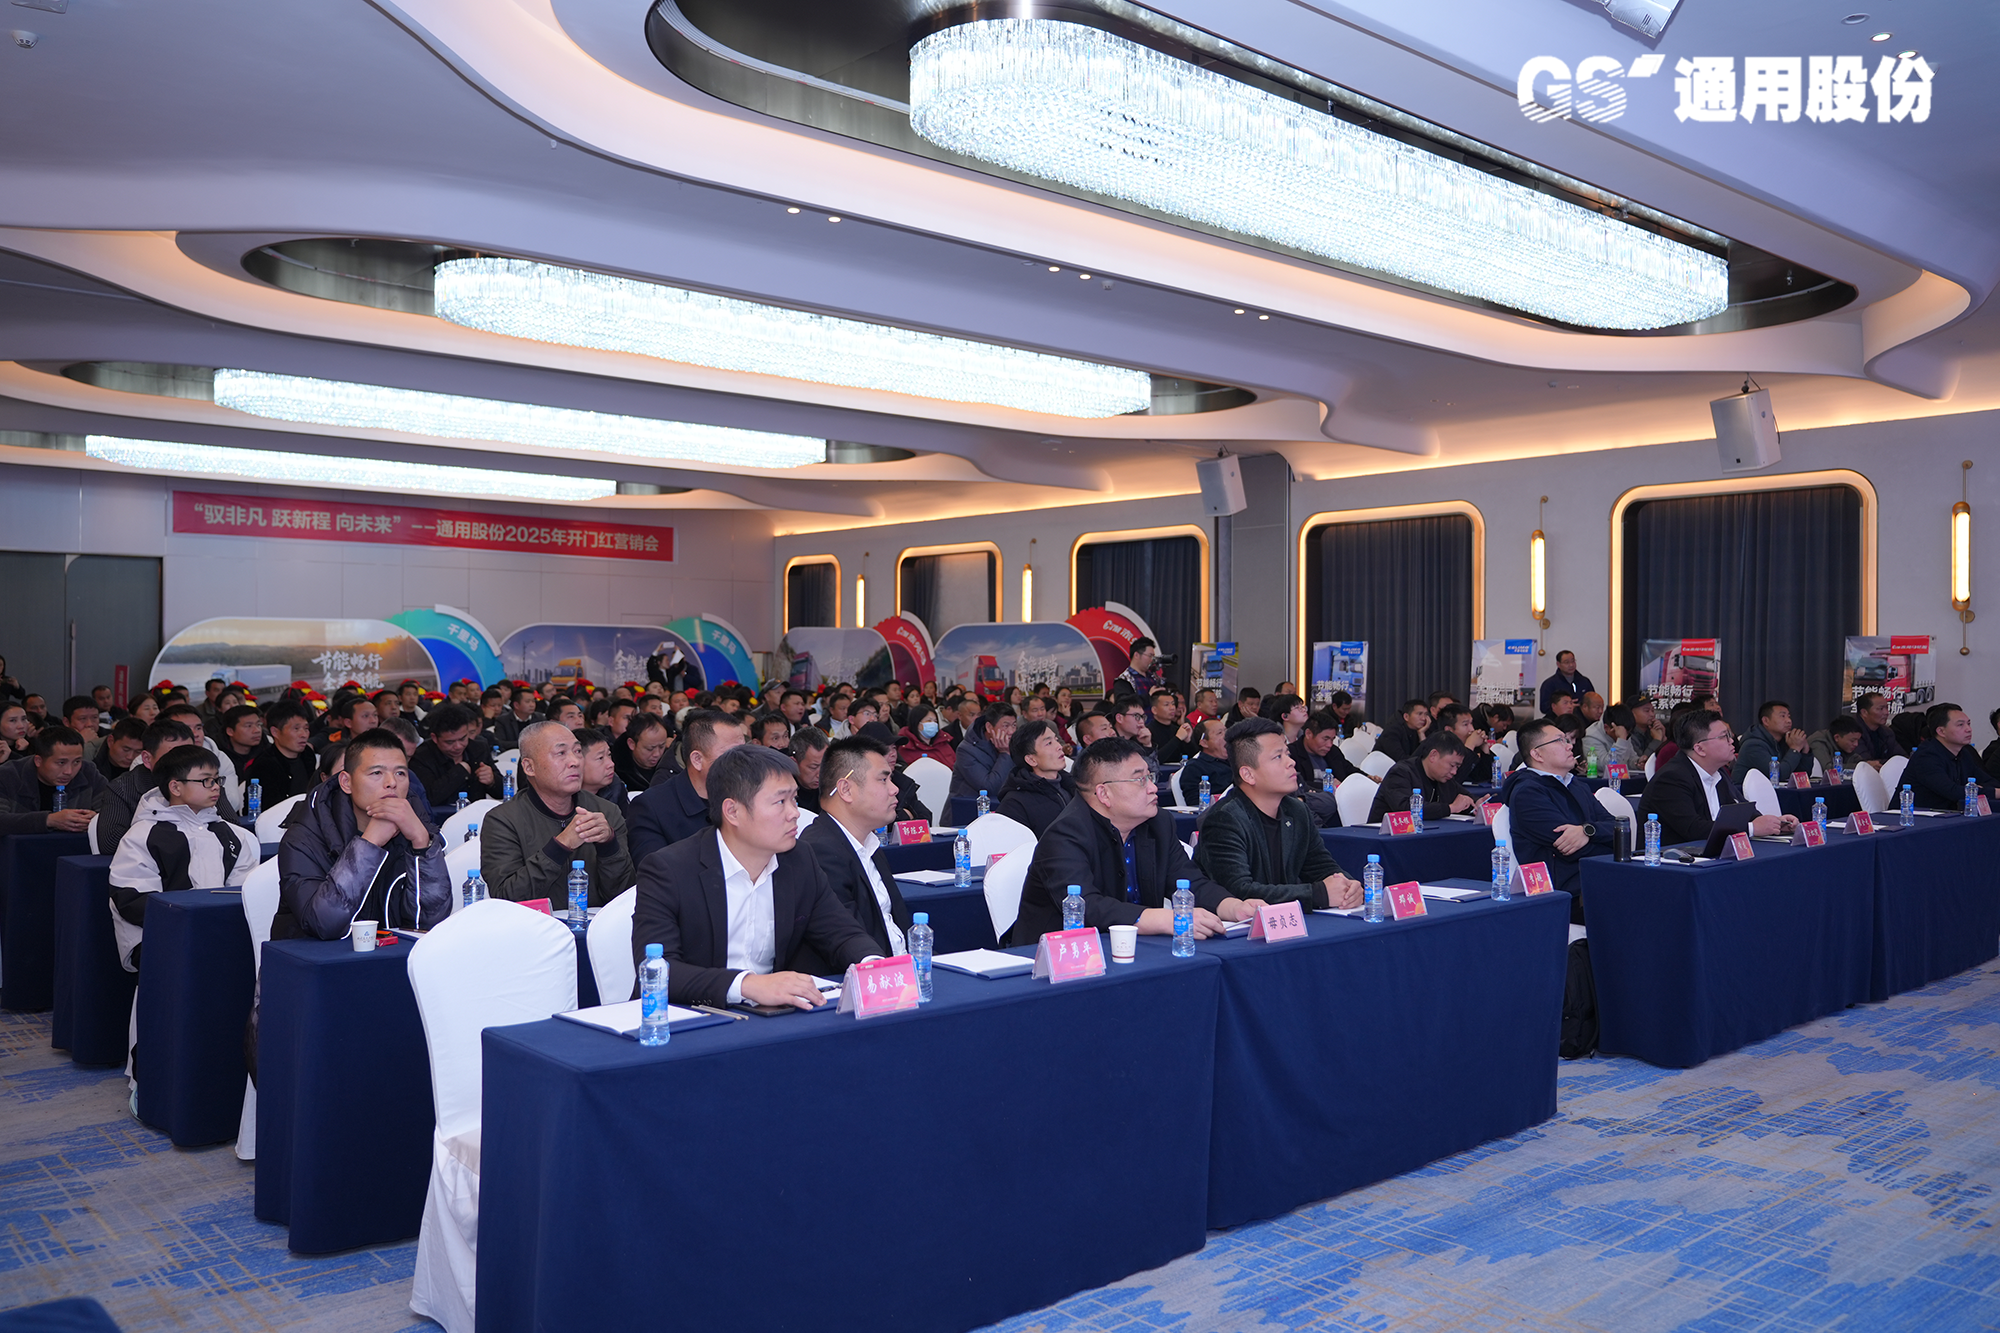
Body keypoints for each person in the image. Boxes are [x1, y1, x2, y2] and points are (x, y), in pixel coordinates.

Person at [628, 744, 877, 1008]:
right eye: (780, 802)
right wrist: (747, 985)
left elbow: (842, 933)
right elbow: (658, 970)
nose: (794, 813)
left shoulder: (799, 860)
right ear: (732, 812)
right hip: (688, 1016)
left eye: (794, 799)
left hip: (769, 1016)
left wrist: (873, 965)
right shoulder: (668, 870)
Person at [1012, 738, 1254, 945]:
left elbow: (1190, 882)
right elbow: (1088, 906)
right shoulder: (1064, 834)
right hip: (1064, 956)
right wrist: (1167, 919)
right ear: (1104, 793)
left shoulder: (1158, 823)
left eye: (1150, 777)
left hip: (1136, 948)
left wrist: (1233, 907)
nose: (1153, 788)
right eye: (1140, 780)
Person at [273, 730, 452, 941]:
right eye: (376, 773)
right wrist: (369, 844)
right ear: (346, 782)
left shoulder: (415, 828)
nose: (391, 783)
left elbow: (430, 922)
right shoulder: (304, 837)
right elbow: (323, 924)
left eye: (400, 773)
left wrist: (421, 843)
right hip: (314, 956)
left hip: (389, 953)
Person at [108, 743, 254, 973]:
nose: (216, 787)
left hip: (219, 929)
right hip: (160, 934)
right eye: (206, 780)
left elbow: (244, 891)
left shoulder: (231, 834)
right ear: (175, 786)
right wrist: (193, 921)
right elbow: (131, 899)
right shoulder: (143, 835)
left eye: (217, 779)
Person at [1195, 719, 1360, 909]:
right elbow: (1239, 891)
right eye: (1277, 757)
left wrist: (1347, 887)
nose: (1291, 762)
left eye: (1287, 754)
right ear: (1248, 774)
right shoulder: (1224, 820)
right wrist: (1318, 894)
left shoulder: (1297, 811)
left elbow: (1321, 867)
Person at [481, 721, 633, 911]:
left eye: (577, 751)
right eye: (561, 753)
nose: (575, 761)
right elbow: (506, 898)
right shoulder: (502, 821)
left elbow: (624, 897)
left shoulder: (606, 812)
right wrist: (560, 846)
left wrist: (609, 846)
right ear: (529, 767)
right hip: (532, 927)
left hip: (595, 925)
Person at [795, 736, 913, 962]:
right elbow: (848, 941)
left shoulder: (868, 843)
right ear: (846, 790)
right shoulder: (820, 852)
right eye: (883, 780)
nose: (895, 789)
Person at [1503, 719, 1620, 921]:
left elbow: (1618, 827)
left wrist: (1587, 830)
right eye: (1560, 741)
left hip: (1596, 876)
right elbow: (1569, 846)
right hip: (1564, 893)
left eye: (1568, 740)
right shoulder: (1528, 793)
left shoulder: (1575, 785)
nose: (1570, 745)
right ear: (1537, 754)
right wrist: (1603, 838)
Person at [1636, 710, 1796, 845]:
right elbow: (1693, 829)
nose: (1731, 741)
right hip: (1673, 861)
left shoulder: (1718, 772)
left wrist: (1774, 824)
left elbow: (1743, 810)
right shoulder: (1671, 779)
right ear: (1700, 749)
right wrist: (1752, 828)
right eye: (1724, 737)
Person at [626, 709, 744, 865]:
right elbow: (655, 872)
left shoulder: (750, 795)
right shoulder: (651, 809)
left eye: (744, 752)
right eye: (730, 754)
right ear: (697, 759)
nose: (742, 762)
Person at [96, 719, 196, 853]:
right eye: (173, 757)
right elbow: (111, 843)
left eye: (189, 756)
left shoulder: (207, 782)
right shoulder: (122, 788)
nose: (184, 764)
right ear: (147, 759)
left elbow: (225, 830)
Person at [0, 725, 105, 835]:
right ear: (38, 761)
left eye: (76, 762)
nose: (69, 771)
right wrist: (48, 820)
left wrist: (97, 818)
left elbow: (112, 810)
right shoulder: (8, 776)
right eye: (61, 763)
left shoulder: (88, 772)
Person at [408, 702, 504, 808]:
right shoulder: (421, 756)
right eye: (450, 742)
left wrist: (492, 780)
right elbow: (427, 799)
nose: (458, 746)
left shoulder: (478, 748)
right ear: (435, 738)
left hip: (477, 813)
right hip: (440, 816)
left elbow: (503, 792)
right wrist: (460, 772)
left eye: (463, 738)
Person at [1904, 703, 1999, 809]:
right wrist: (1990, 792)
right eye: (1960, 725)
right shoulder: (1926, 756)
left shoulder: (1964, 753)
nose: (1968, 729)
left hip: (1949, 814)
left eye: (1968, 724)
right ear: (1941, 731)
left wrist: (1982, 789)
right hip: (1913, 816)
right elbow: (1952, 791)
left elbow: (1989, 781)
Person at [994, 719, 1076, 836]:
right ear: (1031, 760)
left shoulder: (1072, 786)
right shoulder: (1015, 804)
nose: (1059, 746)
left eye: (1056, 740)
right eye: (1049, 743)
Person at [1370, 733, 1475, 822]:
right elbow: (1406, 809)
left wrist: (1477, 804)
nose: (1454, 772)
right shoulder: (1400, 773)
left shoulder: (1444, 778)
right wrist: (1450, 808)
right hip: (1386, 835)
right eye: (1452, 765)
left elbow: (1464, 797)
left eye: (1457, 767)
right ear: (1433, 756)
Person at [245, 701, 320, 804]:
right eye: (296, 729)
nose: (304, 734)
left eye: (306, 728)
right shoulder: (264, 766)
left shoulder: (308, 755)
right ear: (275, 732)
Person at [1731, 700, 1814, 785]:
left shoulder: (1785, 741)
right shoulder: (1753, 745)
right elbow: (1778, 775)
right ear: (1766, 721)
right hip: (1745, 792)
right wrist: (1795, 749)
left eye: (1789, 716)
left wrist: (1805, 750)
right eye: (1782, 716)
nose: (1789, 720)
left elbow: (1801, 776)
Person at [950, 704, 1017, 800]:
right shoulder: (966, 750)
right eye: (1005, 726)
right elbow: (989, 788)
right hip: (970, 804)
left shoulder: (1015, 745)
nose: (1011, 731)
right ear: (989, 727)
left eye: (1014, 725)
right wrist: (1005, 754)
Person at [611, 711, 675, 793]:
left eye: (661, 746)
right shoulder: (615, 773)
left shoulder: (672, 762)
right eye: (650, 749)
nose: (657, 754)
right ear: (632, 744)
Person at [1432, 704, 1495, 785]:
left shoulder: (1472, 748)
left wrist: (1485, 750)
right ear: (1449, 730)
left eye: (1471, 723)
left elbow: (1485, 777)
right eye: (1465, 724)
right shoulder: (1439, 749)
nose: (1472, 729)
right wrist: (1470, 746)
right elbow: (1453, 782)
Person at [1178, 718, 1237, 804]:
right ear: (1204, 743)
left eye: (1226, 731)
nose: (1227, 735)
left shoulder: (1236, 761)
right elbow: (1195, 803)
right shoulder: (1195, 767)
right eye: (1220, 733)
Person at [576, 726, 630, 812]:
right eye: (600, 758)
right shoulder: (563, 796)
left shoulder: (616, 786)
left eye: (609, 755)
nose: (611, 764)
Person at [1852, 692, 1907, 768]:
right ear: (1864, 712)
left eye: (1887, 708)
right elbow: (1865, 762)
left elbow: (1902, 757)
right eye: (1880, 709)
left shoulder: (1887, 732)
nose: (1886, 713)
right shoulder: (1852, 732)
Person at [896, 701, 956, 769]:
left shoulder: (943, 743)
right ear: (917, 723)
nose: (933, 724)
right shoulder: (906, 747)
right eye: (929, 721)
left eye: (935, 721)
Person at [1145, 689, 1195, 764]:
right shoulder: (1148, 731)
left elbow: (1194, 757)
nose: (1172, 708)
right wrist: (1177, 738)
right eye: (1166, 705)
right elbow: (1155, 759)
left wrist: (1188, 741)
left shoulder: (1177, 729)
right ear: (1154, 710)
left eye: (1173, 704)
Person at [1809, 714, 1867, 779]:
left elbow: (1856, 759)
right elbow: (1829, 769)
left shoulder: (1845, 745)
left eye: (1858, 740)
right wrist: (1858, 767)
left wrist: (1867, 765)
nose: (1856, 744)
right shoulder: (1818, 742)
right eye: (1852, 740)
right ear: (1837, 737)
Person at [1374, 699, 1431, 765]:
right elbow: (1401, 760)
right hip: (1382, 767)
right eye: (1419, 714)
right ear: (1406, 717)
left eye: (1426, 714)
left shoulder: (1421, 729)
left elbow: (1426, 757)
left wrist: (1422, 735)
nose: (1423, 718)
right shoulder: (1392, 731)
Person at [1538, 650, 1594, 715]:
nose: (1571, 665)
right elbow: (1544, 708)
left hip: (1582, 719)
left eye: (1573, 661)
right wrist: (1564, 706)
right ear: (1558, 664)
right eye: (1566, 662)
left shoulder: (1585, 681)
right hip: (1559, 720)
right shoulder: (1549, 684)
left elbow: (1592, 701)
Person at [218, 705, 263, 783]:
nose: (257, 730)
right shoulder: (218, 756)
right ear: (230, 731)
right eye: (249, 726)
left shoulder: (268, 751)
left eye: (258, 725)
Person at [94, 716, 148, 782]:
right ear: (111, 741)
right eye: (126, 750)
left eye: (138, 751)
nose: (130, 757)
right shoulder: (88, 758)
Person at [790, 727, 829, 814]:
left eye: (825, 765)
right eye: (813, 767)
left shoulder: (834, 784)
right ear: (794, 763)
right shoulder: (784, 792)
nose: (820, 774)